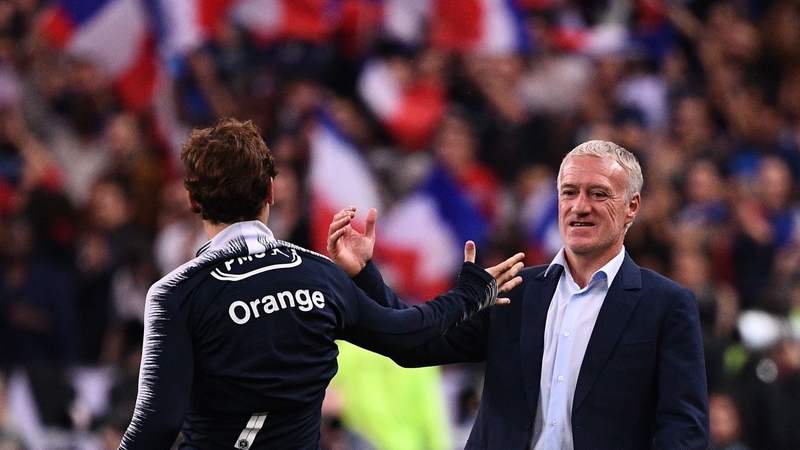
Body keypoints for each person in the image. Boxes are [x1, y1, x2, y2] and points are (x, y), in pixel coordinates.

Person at [116, 118, 525, 450]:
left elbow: (158, 425)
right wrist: (471, 294)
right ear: (272, 191)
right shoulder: (319, 272)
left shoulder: (176, 293)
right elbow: (406, 336)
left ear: (193, 201)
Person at [328, 140, 710, 449]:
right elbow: (414, 341)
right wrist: (364, 274)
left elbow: (684, 431)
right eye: (569, 192)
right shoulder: (515, 290)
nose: (580, 207)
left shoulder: (666, 304)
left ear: (631, 207)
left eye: (598, 194)